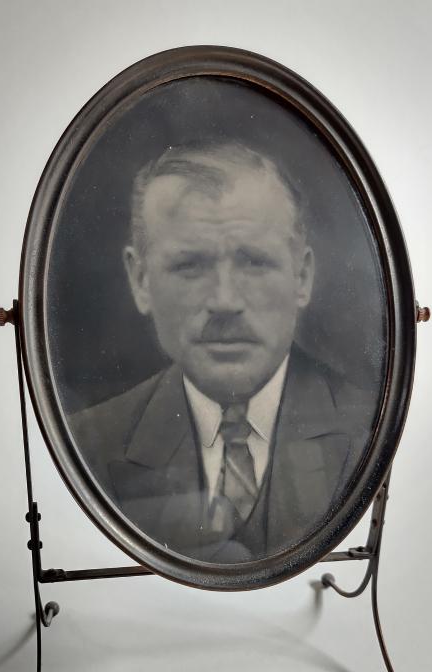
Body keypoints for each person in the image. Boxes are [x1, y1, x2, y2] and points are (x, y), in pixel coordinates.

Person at [69, 141, 372, 563]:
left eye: (254, 262)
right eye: (190, 266)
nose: (225, 301)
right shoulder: (87, 444)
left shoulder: (370, 429)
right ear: (140, 280)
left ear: (301, 276)